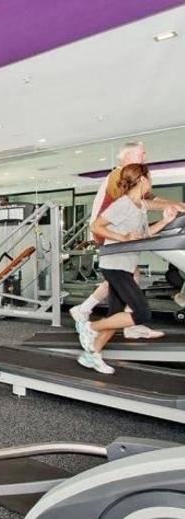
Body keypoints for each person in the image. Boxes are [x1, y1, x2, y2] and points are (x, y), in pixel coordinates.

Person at [69, 141, 185, 337]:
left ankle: (118, 322)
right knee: (123, 274)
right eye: (142, 154)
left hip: (113, 230)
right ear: (128, 156)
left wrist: (176, 205)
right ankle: (89, 312)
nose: (145, 157)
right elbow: (140, 202)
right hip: (107, 232)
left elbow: (151, 198)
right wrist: (175, 206)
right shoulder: (118, 175)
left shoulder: (133, 177)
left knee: (128, 274)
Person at [76, 164, 178, 374]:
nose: (152, 182)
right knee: (141, 313)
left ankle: (91, 355)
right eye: (150, 178)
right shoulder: (122, 204)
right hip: (114, 265)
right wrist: (122, 237)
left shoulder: (140, 205)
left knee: (115, 314)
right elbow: (96, 226)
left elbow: (144, 234)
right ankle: (89, 327)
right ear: (142, 180)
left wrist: (166, 221)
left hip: (125, 265)